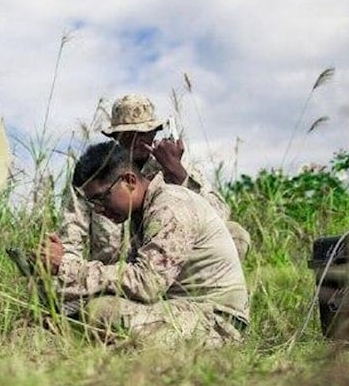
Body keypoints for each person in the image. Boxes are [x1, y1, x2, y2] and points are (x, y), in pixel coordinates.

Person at [52, 141, 250, 347]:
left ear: (129, 181)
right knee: (91, 309)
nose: (99, 209)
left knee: (101, 311)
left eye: (102, 198)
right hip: (185, 307)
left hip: (217, 322)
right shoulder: (144, 211)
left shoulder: (169, 207)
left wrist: (68, 268)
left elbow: (147, 284)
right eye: (93, 203)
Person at [43, 94, 250, 287]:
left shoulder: (171, 166)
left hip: (166, 273)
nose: (139, 141)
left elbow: (218, 218)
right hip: (110, 277)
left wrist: (178, 175)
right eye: (130, 135)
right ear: (117, 137)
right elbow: (71, 236)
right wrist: (67, 272)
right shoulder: (94, 177)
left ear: (154, 133)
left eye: (145, 133)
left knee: (235, 234)